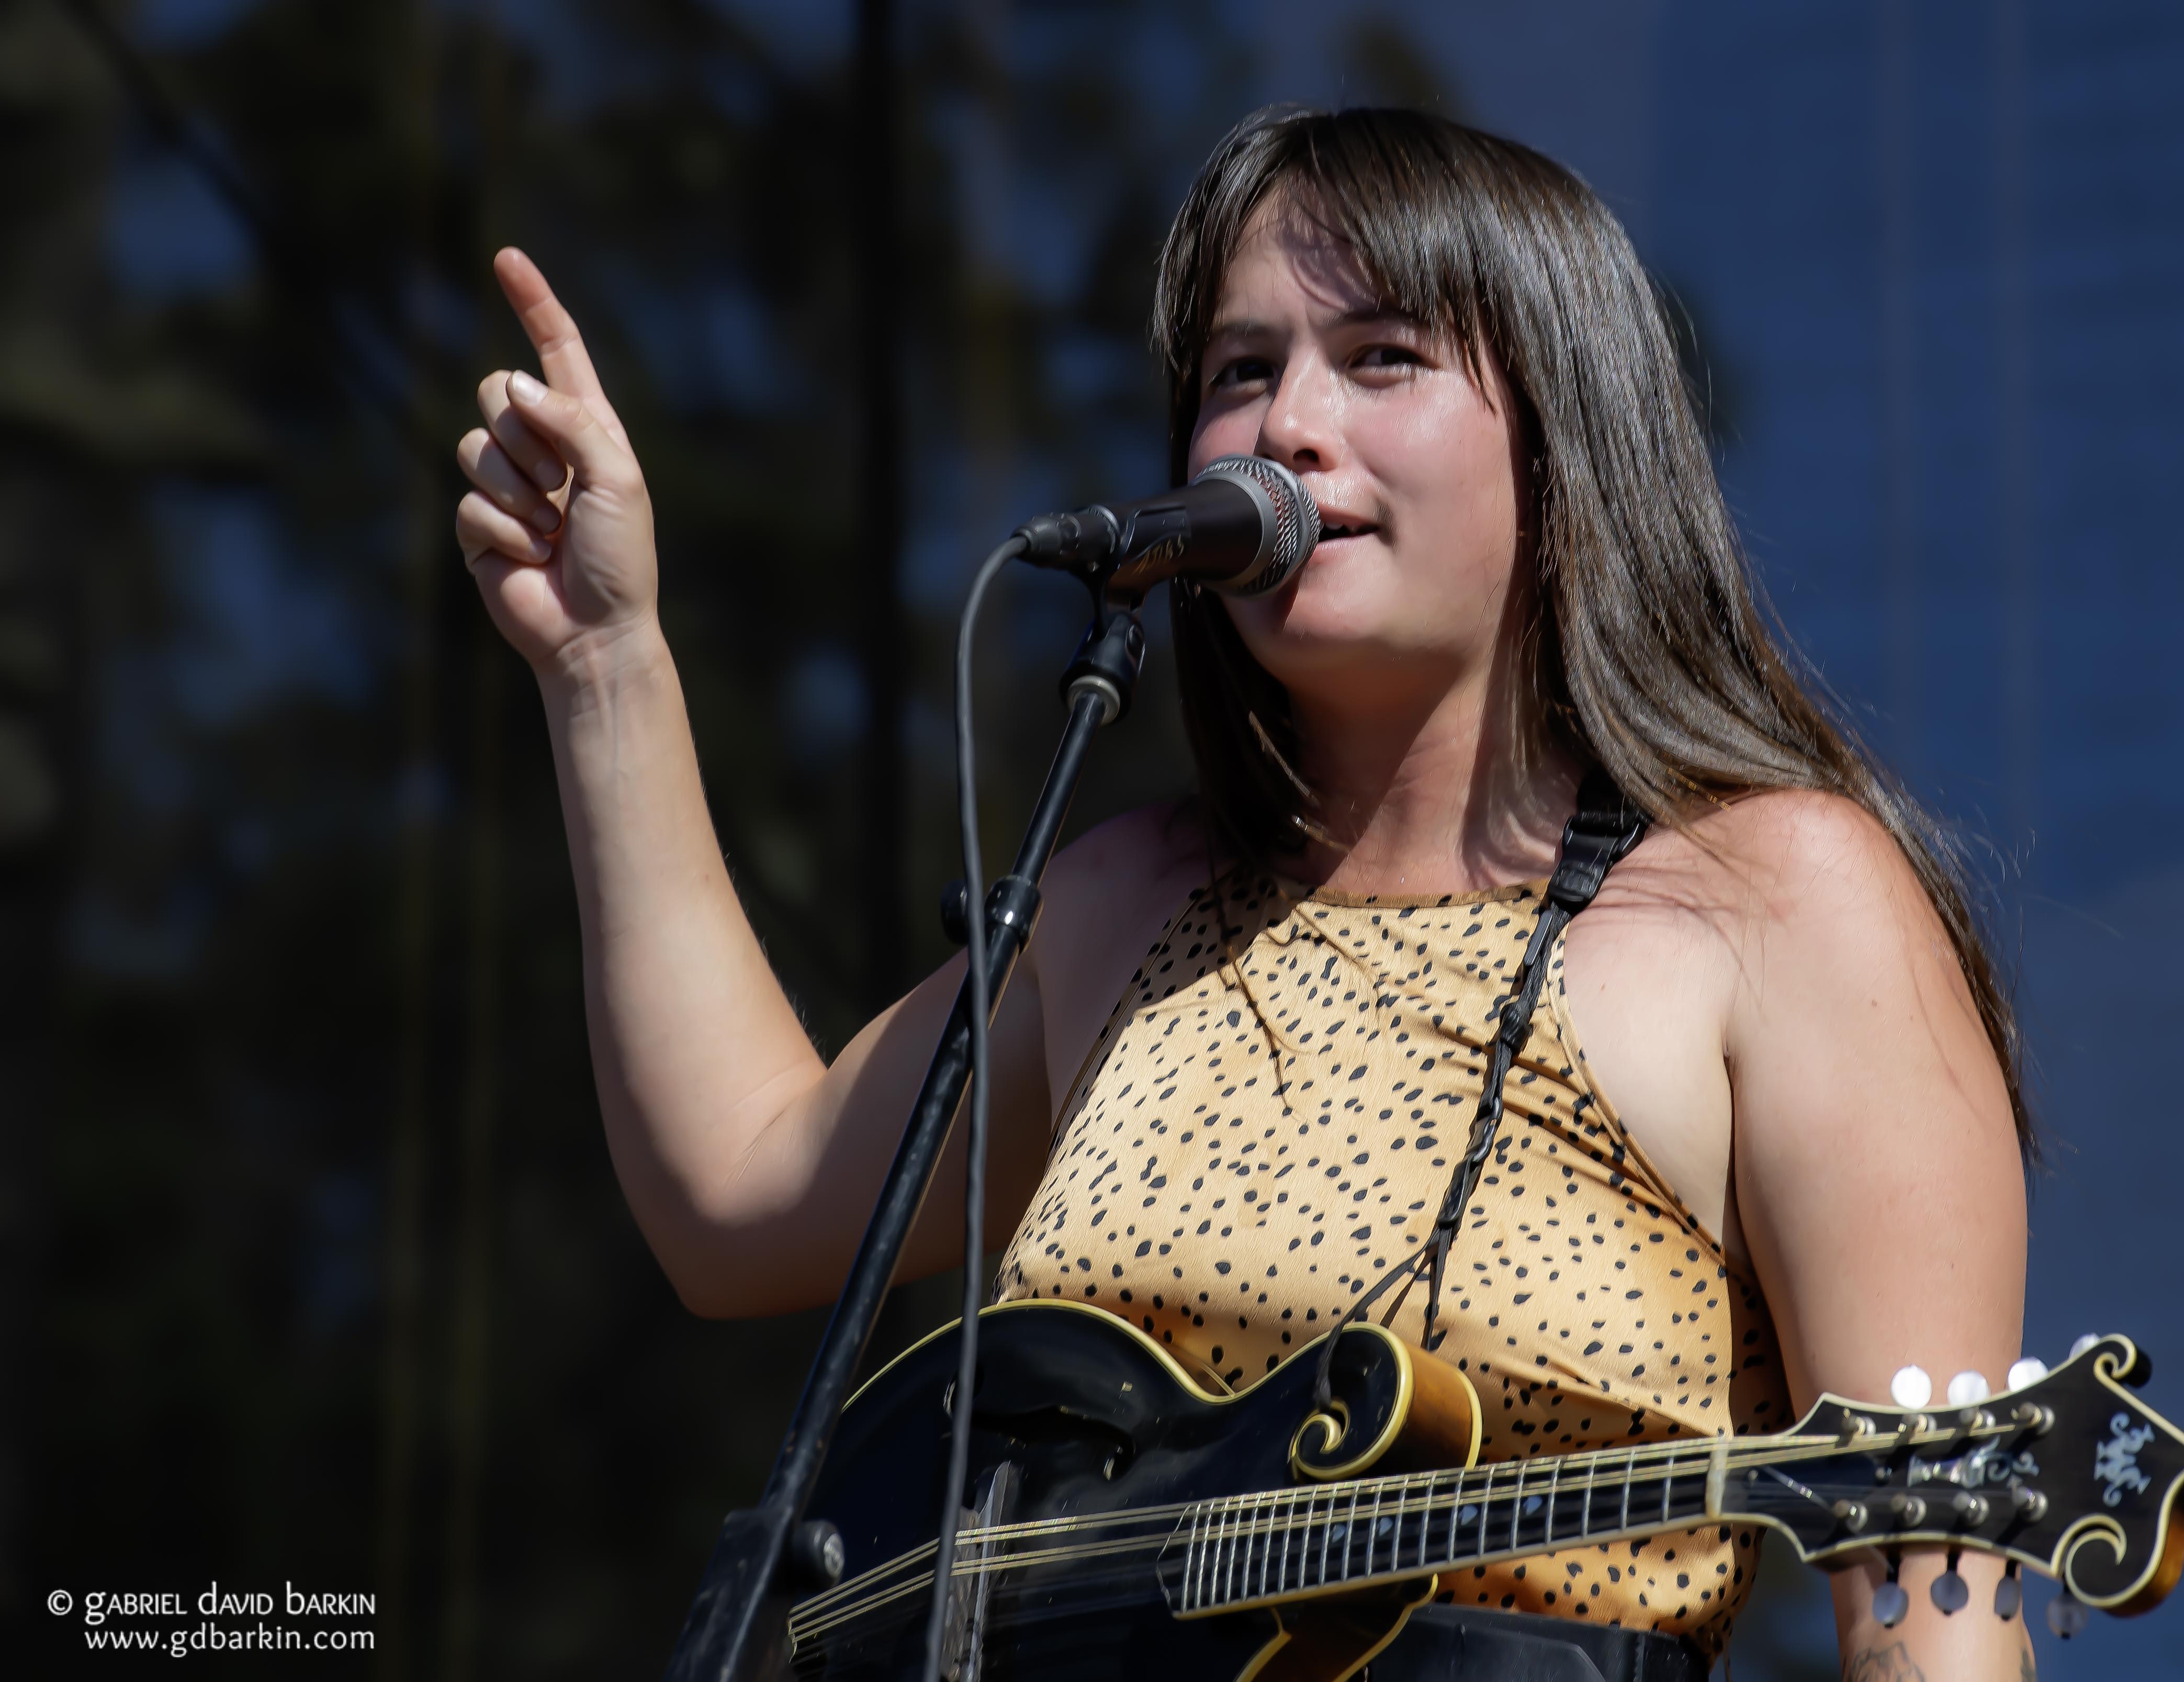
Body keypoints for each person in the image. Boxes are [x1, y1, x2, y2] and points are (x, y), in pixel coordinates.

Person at [452, 105, 2033, 1682]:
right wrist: (606, 666)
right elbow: (741, 1198)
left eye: (1382, 356)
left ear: (1566, 435)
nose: (1287, 423)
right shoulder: (1126, 901)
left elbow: (1927, 1607)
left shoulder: (1776, 903)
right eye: (1239, 371)